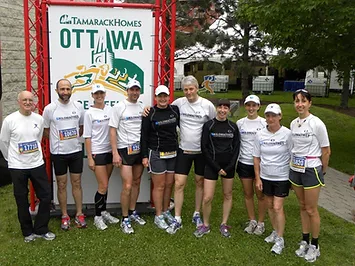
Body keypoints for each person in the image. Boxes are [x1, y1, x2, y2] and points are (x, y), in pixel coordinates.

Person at [0, 91, 55, 242]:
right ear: (19, 102)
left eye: (30, 100)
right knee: (21, 198)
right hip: (17, 166)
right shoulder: (10, 120)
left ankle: (41, 229)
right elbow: (4, 142)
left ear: (34, 102)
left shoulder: (38, 118)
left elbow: (37, 139)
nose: (28, 102)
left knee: (45, 196)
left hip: (36, 163)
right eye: (24, 100)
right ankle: (27, 232)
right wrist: (11, 159)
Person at [166, 75, 216, 234]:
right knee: (179, 183)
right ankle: (178, 217)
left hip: (202, 152)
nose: (188, 93)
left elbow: (214, 125)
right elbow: (163, 109)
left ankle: (196, 213)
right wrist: (148, 109)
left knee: (199, 182)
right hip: (184, 150)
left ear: (197, 88)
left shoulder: (207, 105)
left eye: (191, 89)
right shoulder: (178, 104)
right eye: (185, 90)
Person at [289, 89, 330, 263]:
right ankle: (304, 240)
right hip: (296, 168)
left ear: (310, 103)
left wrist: (323, 170)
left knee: (312, 209)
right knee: (302, 206)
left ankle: (315, 245)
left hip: (312, 169)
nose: (300, 104)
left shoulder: (317, 123)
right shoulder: (293, 123)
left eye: (303, 101)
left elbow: (326, 150)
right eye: (297, 101)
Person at [43, 79, 86, 230]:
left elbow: (81, 127)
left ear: (71, 90)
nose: (65, 92)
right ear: (57, 91)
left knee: (77, 183)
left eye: (68, 89)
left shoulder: (78, 107)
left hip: (75, 151)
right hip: (59, 153)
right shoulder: (50, 109)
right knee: (61, 185)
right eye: (62, 89)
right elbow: (46, 131)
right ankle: (64, 215)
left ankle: (79, 214)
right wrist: (57, 141)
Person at [194, 99, 240, 238]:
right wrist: (216, 167)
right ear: (216, 108)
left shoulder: (233, 127)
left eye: (225, 108)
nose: (222, 110)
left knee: (227, 195)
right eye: (220, 107)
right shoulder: (209, 125)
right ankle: (206, 225)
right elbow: (204, 147)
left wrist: (230, 166)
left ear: (228, 110)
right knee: (207, 197)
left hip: (229, 167)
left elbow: (236, 148)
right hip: (212, 165)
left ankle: (224, 223)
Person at [253, 103, 292, 255]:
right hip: (265, 176)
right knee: (269, 205)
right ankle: (275, 231)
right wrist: (258, 178)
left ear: (280, 116)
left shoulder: (287, 134)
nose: (270, 118)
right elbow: (256, 158)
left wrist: (292, 177)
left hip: (282, 176)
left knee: (277, 207)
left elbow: (292, 155)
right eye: (268, 115)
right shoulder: (260, 134)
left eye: (274, 116)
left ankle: (280, 239)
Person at [109, 79, 146, 234]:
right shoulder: (119, 107)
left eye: (137, 90)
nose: (135, 92)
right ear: (127, 91)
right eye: (132, 90)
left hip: (139, 150)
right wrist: (115, 153)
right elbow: (112, 130)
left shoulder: (143, 107)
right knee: (128, 185)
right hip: (125, 150)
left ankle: (132, 212)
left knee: (137, 182)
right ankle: (125, 219)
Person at [141, 85, 180, 231]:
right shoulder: (150, 113)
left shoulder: (175, 110)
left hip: (172, 153)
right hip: (156, 153)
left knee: (169, 184)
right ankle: (158, 216)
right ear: (155, 98)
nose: (162, 99)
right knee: (159, 186)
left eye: (165, 96)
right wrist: (144, 156)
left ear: (169, 97)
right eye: (160, 96)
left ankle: (165, 211)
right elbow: (143, 136)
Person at [83, 84, 120, 230]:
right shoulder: (89, 113)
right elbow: (87, 137)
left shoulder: (111, 110)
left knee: (106, 185)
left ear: (105, 94)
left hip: (109, 151)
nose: (99, 96)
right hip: (97, 152)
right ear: (92, 96)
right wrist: (90, 158)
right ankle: (97, 216)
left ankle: (104, 211)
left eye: (101, 93)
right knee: (102, 185)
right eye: (96, 94)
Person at [236, 95, 267, 235]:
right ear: (245, 106)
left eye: (254, 105)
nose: (251, 108)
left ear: (258, 107)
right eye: (248, 105)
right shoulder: (240, 123)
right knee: (248, 194)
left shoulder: (264, 123)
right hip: (244, 163)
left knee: (260, 195)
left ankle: (261, 223)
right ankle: (252, 220)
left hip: (260, 164)